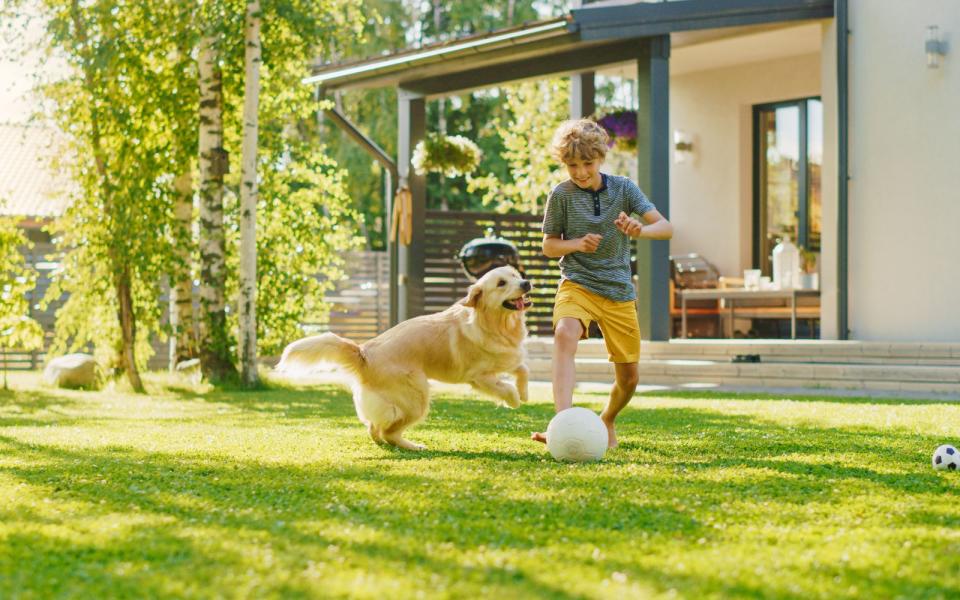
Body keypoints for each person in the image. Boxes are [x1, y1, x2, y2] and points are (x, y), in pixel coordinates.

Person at [531, 118, 673, 448]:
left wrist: (641, 230)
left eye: (587, 163)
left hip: (618, 289)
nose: (580, 172)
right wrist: (576, 244)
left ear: (601, 158)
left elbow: (665, 227)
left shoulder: (623, 189)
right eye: (572, 165)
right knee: (565, 333)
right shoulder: (561, 195)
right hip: (577, 282)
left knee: (629, 377)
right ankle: (562, 424)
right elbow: (549, 245)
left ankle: (607, 419)